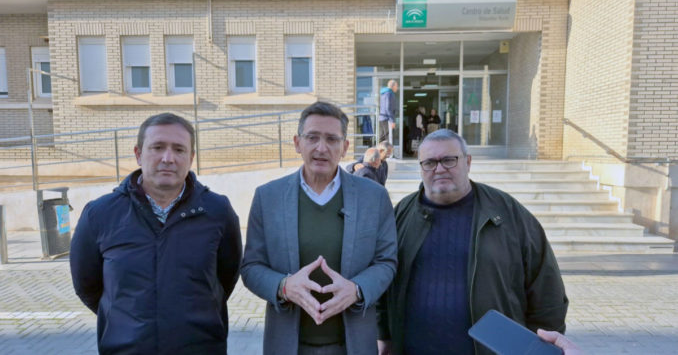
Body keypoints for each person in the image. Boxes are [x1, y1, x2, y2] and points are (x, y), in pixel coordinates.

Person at [377, 129, 568, 355]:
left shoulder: (507, 214)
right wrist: (384, 335)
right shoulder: (401, 215)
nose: (439, 169)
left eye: (449, 160)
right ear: (421, 167)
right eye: (429, 162)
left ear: (467, 161)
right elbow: (382, 282)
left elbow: (547, 291)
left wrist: (536, 349)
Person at [70, 113, 242, 355]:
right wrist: (127, 321)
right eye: (158, 147)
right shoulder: (100, 214)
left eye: (179, 149)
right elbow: (87, 285)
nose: (168, 158)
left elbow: (226, 278)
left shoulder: (217, 211)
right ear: (138, 154)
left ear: (191, 158)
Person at [241, 101, 397, 355]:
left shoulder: (375, 197)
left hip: (354, 345)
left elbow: (387, 262)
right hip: (288, 345)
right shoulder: (268, 197)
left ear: (345, 147)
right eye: (312, 137)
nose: (321, 148)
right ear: (297, 143)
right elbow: (251, 267)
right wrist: (283, 286)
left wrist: (357, 290)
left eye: (332, 139)